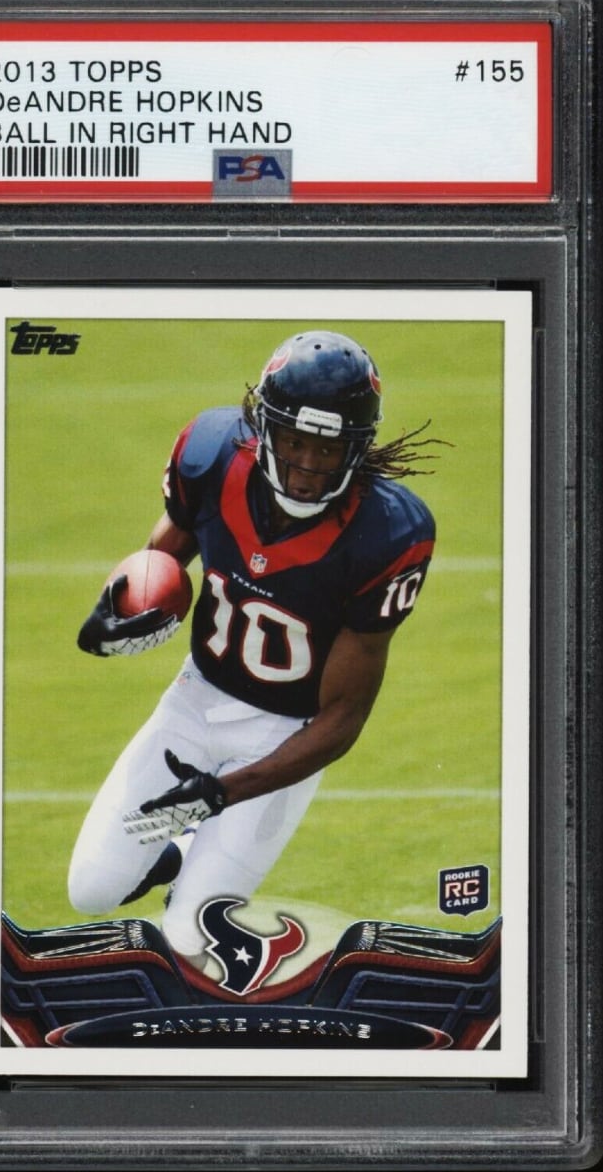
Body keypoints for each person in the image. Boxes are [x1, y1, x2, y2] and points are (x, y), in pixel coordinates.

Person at [68, 330, 437, 963]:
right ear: (263, 426)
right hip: (194, 701)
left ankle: (198, 858)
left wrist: (224, 792)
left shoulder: (389, 533)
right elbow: (160, 559)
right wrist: (118, 607)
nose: (307, 465)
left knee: (191, 937)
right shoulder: (212, 454)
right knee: (91, 893)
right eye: (294, 441)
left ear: (358, 447)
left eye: (328, 448)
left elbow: (344, 717)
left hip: (285, 739)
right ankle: (178, 856)